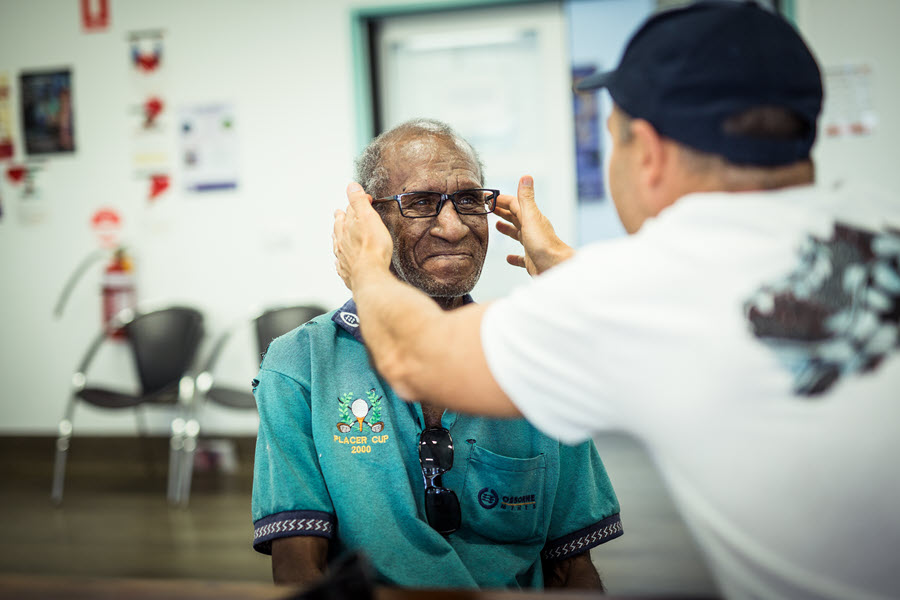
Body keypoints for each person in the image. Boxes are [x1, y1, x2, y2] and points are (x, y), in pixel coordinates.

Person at [332, 3, 900, 600]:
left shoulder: (635, 289)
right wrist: (568, 272)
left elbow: (413, 358)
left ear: (647, 151)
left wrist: (366, 263)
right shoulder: (881, 215)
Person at [252, 118, 623, 589]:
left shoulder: (537, 356)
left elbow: (572, 566)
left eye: (469, 200)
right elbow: (300, 569)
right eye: (421, 203)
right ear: (371, 220)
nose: (452, 227)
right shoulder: (300, 365)